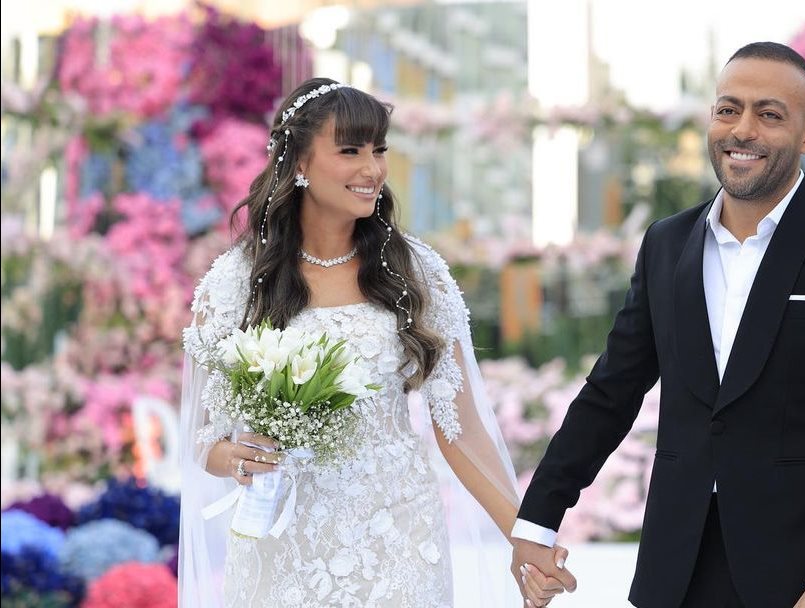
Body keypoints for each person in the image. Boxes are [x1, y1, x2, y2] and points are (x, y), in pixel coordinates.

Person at [511, 42, 805, 608]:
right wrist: (537, 520)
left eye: (769, 114)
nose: (742, 129)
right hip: (676, 575)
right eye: (729, 109)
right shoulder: (666, 243)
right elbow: (611, 393)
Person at [178, 78, 572, 607]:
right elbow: (205, 440)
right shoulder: (235, 283)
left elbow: (461, 429)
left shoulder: (417, 272)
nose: (372, 169)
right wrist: (238, 458)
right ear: (299, 162)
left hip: (399, 542)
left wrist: (523, 538)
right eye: (350, 151)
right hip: (283, 545)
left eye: (379, 149)